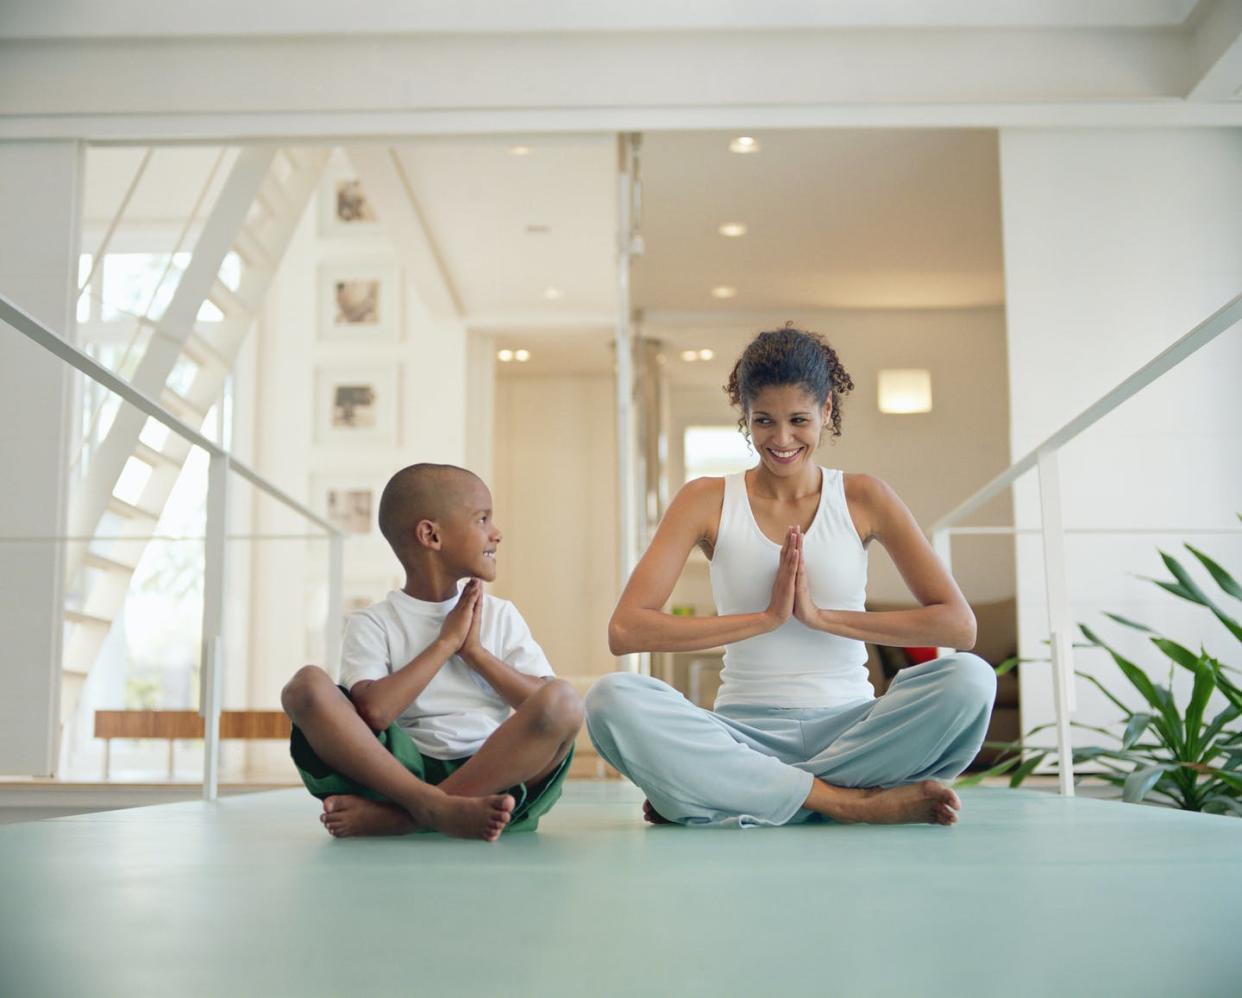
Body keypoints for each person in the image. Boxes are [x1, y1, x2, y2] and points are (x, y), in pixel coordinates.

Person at [585, 325, 996, 828]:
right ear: (746, 419)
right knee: (611, 700)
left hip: (853, 730)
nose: (781, 440)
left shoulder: (865, 497)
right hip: (743, 733)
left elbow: (958, 626)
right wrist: (765, 618)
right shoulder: (706, 499)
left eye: (799, 420)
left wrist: (823, 618)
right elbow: (626, 631)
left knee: (970, 680)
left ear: (826, 411)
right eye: (764, 421)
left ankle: (739, 793)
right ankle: (846, 801)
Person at [281, 463, 582, 841]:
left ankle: (406, 817)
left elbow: (546, 706)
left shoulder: (501, 615)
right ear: (431, 535)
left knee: (566, 701)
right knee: (304, 685)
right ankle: (427, 804)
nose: (496, 533)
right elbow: (375, 712)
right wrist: (446, 644)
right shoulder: (373, 622)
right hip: (398, 772)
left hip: (495, 770)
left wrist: (475, 654)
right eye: (482, 519)